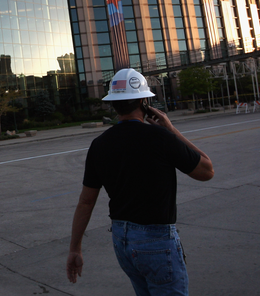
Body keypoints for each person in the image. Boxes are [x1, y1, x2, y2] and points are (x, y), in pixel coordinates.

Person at [66, 68, 214, 295]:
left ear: (113, 105)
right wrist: (172, 130)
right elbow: (206, 170)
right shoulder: (161, 137)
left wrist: (75, 248)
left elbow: (86, 202)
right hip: (155, 241)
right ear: (145, 102)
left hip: (121, 241)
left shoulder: (99, 145)